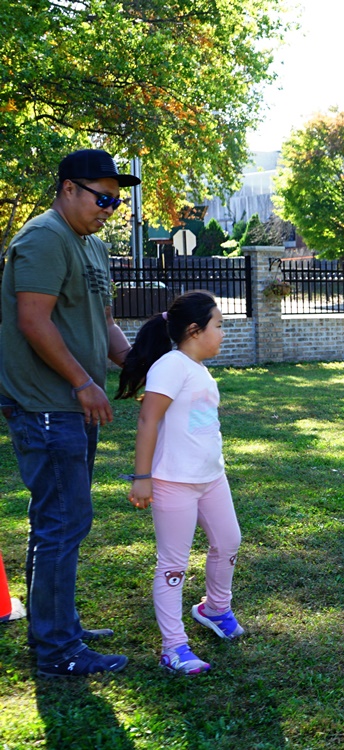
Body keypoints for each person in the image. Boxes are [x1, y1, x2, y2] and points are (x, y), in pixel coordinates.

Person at [0, 149, 138, 677]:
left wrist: (138, 367)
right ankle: (58, 649)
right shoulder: (43, 237)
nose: (110, 209)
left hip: (73, 407)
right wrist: (83, 382)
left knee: (57, 520)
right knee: (63, 520)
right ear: (68, 189)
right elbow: (33, 321)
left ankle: (55, 628)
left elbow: (105, 323)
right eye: (103, 199)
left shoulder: (93, 246)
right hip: (45, 403)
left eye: (116, 202)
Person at [115, 291, 243, 675]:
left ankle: (215, 609)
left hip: (211, 478)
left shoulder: (197, 368)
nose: (222, 333)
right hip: (174, 481)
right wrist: (142, 478)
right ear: (194, 330)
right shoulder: (171, 366)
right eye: (218, 325)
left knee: (228, 542)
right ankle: (173, 647)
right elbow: (148, 420)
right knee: (173, 565)